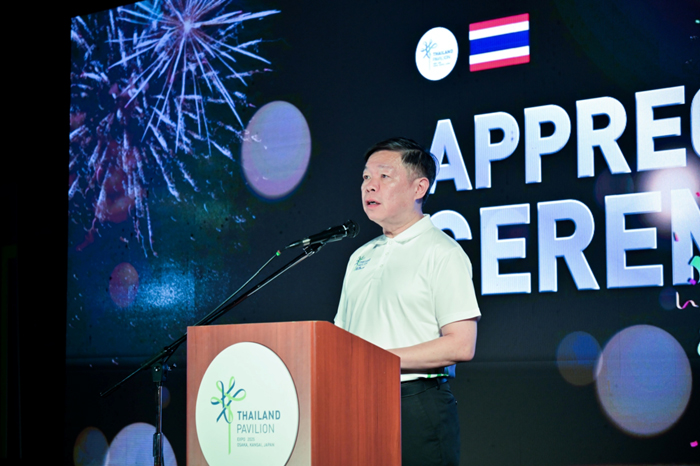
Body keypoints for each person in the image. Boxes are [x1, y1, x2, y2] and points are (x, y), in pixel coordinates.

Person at [334, 137, 481, 466]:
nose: (370, 186)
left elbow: (461, 344)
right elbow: (340, 339)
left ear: (419, 188)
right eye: (366, 177)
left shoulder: (442, 252)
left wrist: (377, 360)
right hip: (354, 403)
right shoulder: (360, 256)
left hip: (414, 403)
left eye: (384, 176)